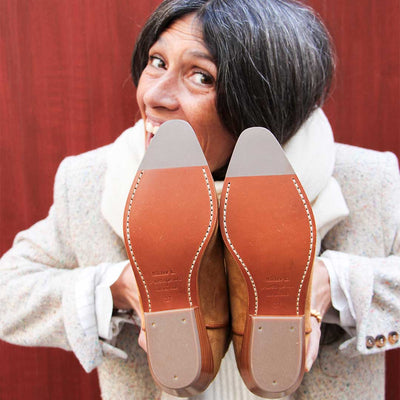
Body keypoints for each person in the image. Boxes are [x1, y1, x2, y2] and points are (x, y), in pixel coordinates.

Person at [0, 0, 399, 399]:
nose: (154, 95)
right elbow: (8, 291)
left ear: (263, 101)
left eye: (201, 76)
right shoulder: (92, 180)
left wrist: (335, 285)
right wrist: (120, 288)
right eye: (157, 62)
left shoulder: (364, 180)